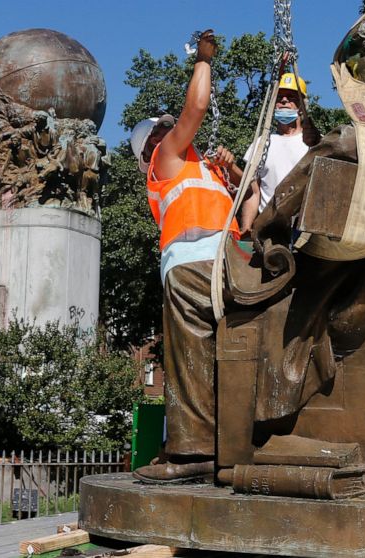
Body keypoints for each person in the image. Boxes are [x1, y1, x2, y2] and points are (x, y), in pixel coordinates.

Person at [128, 29, 241, 483]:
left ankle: (217, 448)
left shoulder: (205, 169)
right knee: (199, 356)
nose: (168, 130)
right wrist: (205, 62)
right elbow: (194, 110)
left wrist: (234, 172)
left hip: (226, 262)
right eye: (160, 130)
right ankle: (195, 450)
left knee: (221, 357)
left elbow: (250, 207)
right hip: (195, 266)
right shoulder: (166, 161)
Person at [239, 72, 320, 230]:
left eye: (291, 97)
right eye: (279, 97)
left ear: (302, 106)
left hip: (303, 227)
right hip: (268, 227)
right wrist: (246, 229)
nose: (284, 101)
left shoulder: (314, 143)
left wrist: (318, 144)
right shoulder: (262, 143)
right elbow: (253, 192)